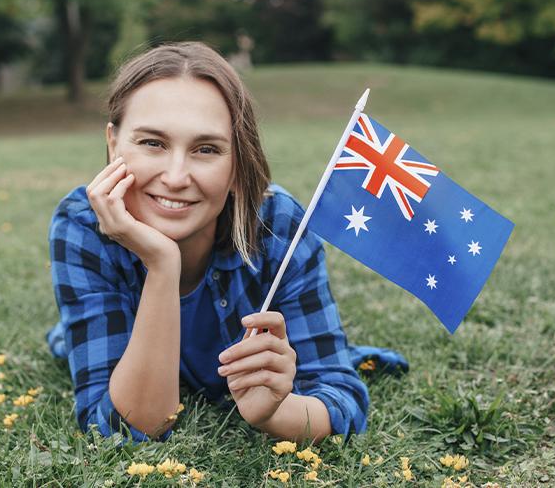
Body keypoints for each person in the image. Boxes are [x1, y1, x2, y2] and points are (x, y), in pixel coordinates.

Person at [47, 41, 407, 444]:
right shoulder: (82, 226)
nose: (176, 176)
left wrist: (276, 412)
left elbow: (342, 398)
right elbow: (119, 428)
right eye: (152, 143)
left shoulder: (277, 225)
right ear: (114, 144)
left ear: (238, 165)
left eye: (206, 149)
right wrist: (163, 264)